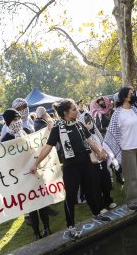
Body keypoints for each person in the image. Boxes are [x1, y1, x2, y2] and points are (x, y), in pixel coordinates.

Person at [30, 100, 111, 240]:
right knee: (71, 197)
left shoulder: (79, 124)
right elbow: (48, 147)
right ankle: (71, 225)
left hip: (85, 163)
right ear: (65, 113)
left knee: (91, 189)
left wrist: (99, 152)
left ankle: (96, 213)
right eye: (74, 109)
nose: (77, 111)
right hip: (71, 167)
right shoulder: (57, 128)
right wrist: (36, 163)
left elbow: (90, 141)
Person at [2, 108, 52, 239]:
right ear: (8, 121)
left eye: (18, 119)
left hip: (34, 171)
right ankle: (36, 232)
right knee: (31, 206)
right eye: (14, 119)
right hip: (21, 176)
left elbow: (37, 145)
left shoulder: (27, 132)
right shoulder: (6, 139)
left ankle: (47, 228)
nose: (18, 122)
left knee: (42, 202)